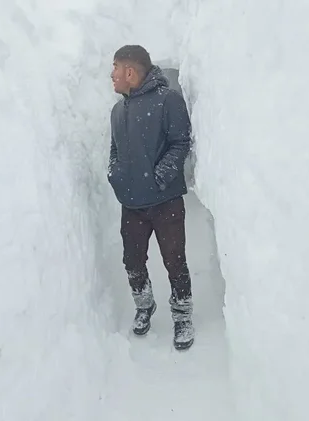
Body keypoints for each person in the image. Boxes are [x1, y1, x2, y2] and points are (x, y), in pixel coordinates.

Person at [107, 45, 194, 350]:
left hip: (165, 201)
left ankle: (182, 315)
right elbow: (115, 150)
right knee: (132, 260)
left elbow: (180, 142)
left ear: (130, 72)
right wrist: (114, 175)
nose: (112, 74)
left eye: (115, 67)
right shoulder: (118, 110)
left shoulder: (167, 100)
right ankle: (144, 305)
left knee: (175, 261)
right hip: (131, 205)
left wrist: (159, 178)